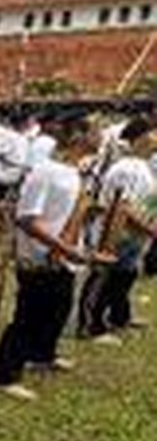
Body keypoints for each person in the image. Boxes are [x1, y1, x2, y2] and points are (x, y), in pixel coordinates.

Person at [0, 115, 111, 401]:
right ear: (78, 135)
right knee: (28, 315)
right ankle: (5, 374)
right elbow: (26, 218)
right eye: (96, 131)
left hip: (63, 256)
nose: (102, 137)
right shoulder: (44, 171)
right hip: (39, 257)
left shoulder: (75, 173)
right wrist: (61, 247)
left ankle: (42, 354)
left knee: (58, 308)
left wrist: (87, 216)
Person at [76, 119, 157, 343]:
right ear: (141, 138)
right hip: (115, 234)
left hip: (134, 236)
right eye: (154, 134)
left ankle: (117, 317)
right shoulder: (129, 168)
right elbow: (123, 209)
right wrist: (151, 230)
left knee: (124, 276)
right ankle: (90, 326)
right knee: (103, 278)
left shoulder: (143, 166)